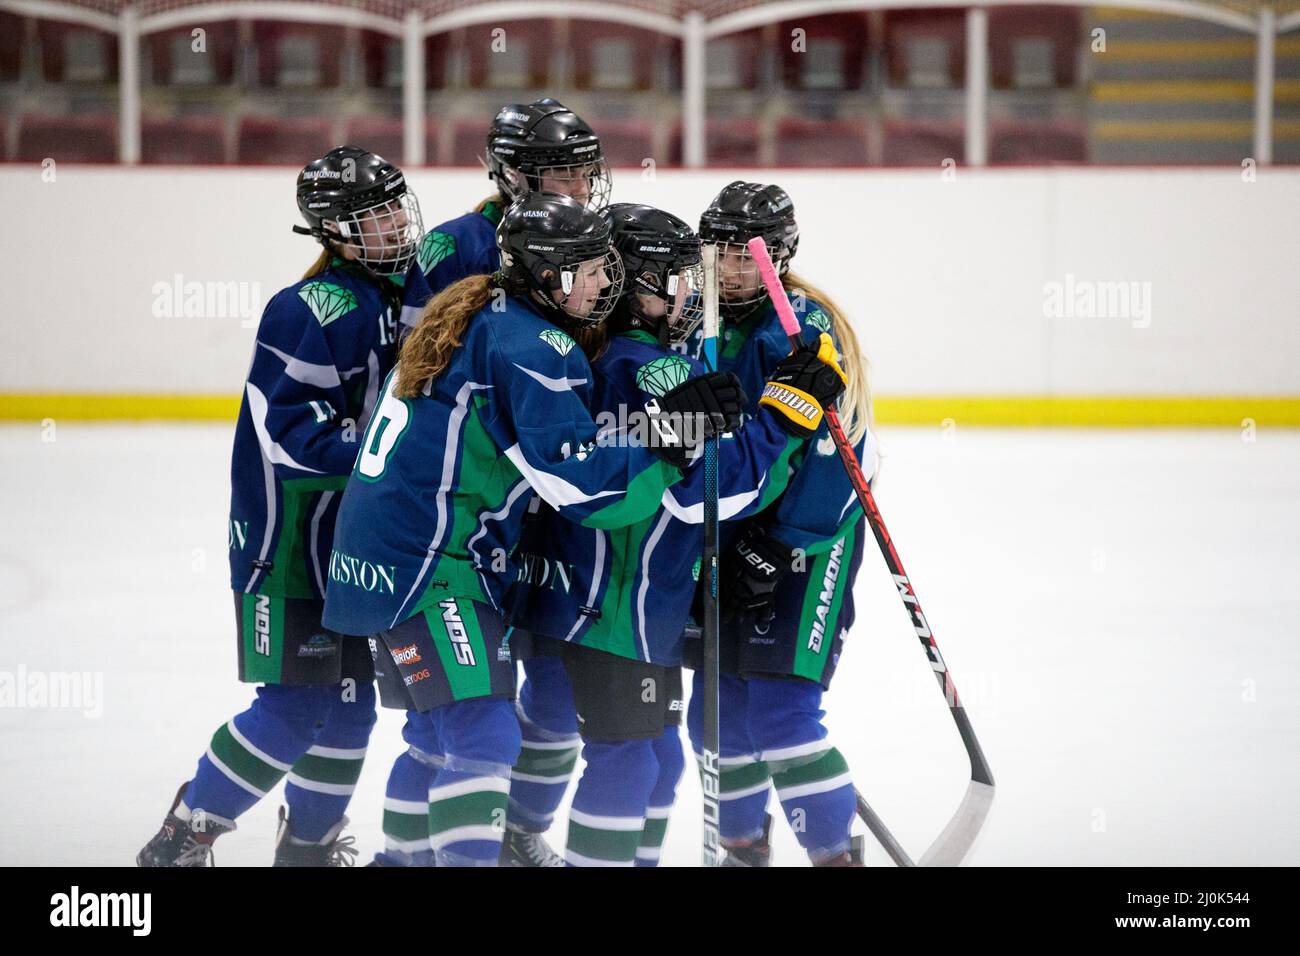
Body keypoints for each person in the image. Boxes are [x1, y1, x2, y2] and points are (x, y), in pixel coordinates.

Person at [322, 193, 744, 867]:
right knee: (484, 737)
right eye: (588, 269)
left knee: (438, 737)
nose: (606, 283)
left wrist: (660, 424)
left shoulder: (484, 312)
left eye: (607, 267)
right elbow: (579, 483)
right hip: (432, 563)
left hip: (389, 551)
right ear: (546, 275)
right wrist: (673, 433)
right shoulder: (533, 343)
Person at [503, 202, 849, 867]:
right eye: (677, 276)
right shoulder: (654, 368)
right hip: (617, 604)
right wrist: (784, 415)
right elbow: (707, 495)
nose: (694, 290)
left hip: (591, 596)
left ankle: (514, 841)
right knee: (633, 762)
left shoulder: (615, 351)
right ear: (637, 285)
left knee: (651, 757)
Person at [137, 146, 430, 866]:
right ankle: (187, 829)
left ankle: (308, 846)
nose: (394, 224)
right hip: (287, 544)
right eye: (374, 215)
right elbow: (289, 431)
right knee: (297, 703)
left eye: (397, 207)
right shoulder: (307, 308)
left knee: (353, 704)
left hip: (352, 550)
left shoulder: (405, 296)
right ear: (332, 230)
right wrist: (387, 464)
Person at [374, 100, 615, 864]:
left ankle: (507, 833)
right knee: (452, 711)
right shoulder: (456, 247)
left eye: (586, 167)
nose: (579, 184)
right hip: (465, 502)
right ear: (513, 172)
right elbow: (417, 376)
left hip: (543, 496)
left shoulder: (584, 237)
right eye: (561, 169)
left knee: (538, 692)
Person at [686, 181, 879, 867]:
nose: (733, 269)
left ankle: (835, 857)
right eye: (722, 254)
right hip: (729, 543)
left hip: (807, 545)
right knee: (714, 714)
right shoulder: (695, 320)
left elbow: (843, 457)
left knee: (779, 712)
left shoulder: (803, 330)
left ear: (781, 253)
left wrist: (778, 545)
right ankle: (740, 851)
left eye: (749, 256)